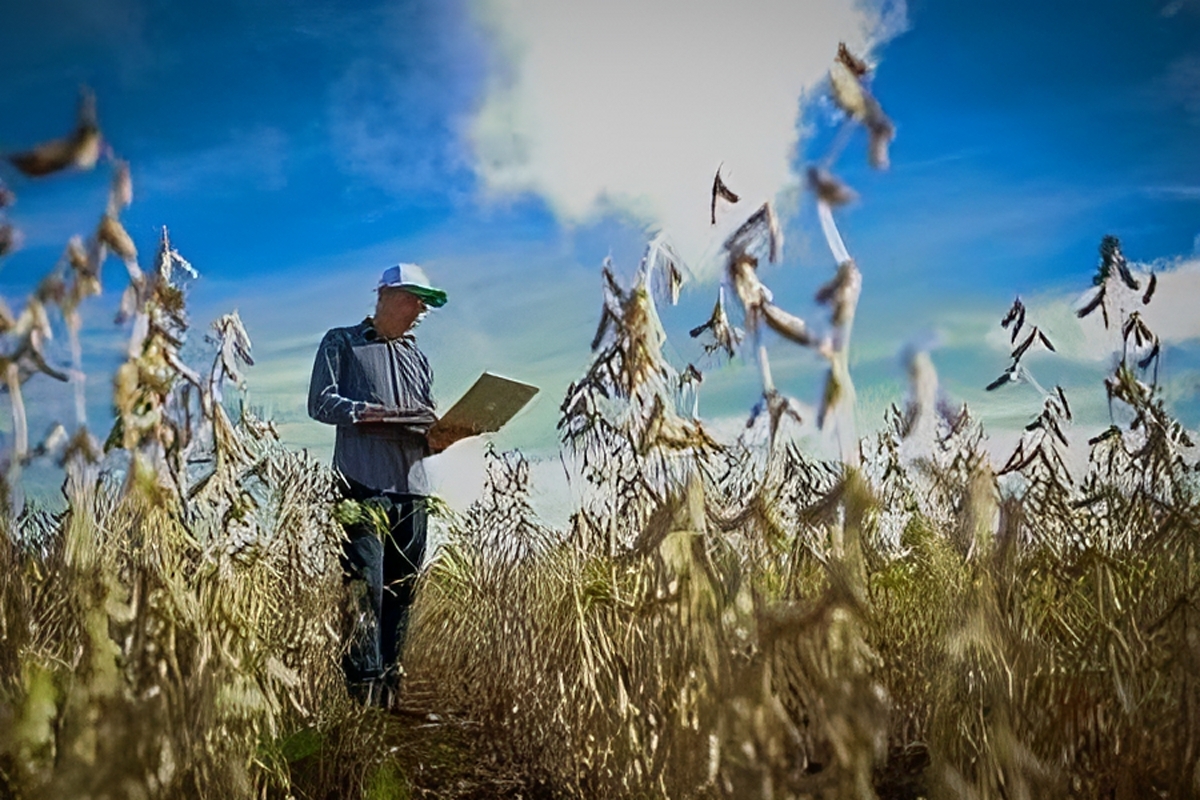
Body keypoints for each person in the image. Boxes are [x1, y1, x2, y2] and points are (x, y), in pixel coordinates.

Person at [307, 263, 448, 707]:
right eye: (413, 299)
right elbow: (320, 402)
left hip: (413, 489)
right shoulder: (341, 341)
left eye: (425, 303)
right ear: (385, 295)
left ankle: (390, 685)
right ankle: (362, 696)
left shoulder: (418, 358)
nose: (420, 310)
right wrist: (369, 413)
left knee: (402, 590)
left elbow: (426, 427)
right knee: (363, 588)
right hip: (360, 484)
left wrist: (446, 434)